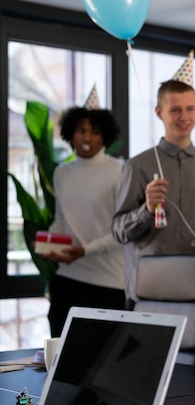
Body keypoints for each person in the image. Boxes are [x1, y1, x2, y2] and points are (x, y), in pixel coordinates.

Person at [112, 63, 195, 307]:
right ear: (159, 112)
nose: (184, 117)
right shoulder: (137, 166)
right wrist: (146, 209)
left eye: (189, 109)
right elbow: (118, 231)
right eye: (175, 110)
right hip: (149, 292)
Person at [46, 91, 125, 337]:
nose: (87, 137)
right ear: (71, 133)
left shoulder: (120, 171)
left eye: (95, 131)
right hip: (67, 280)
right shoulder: (62, 172)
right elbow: (61, 219)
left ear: (106, 136)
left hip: (109, 283)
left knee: (102, 365)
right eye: (81, 130)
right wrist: (46, 243)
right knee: (63, 362)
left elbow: (123, 230)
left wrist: (85, 251)